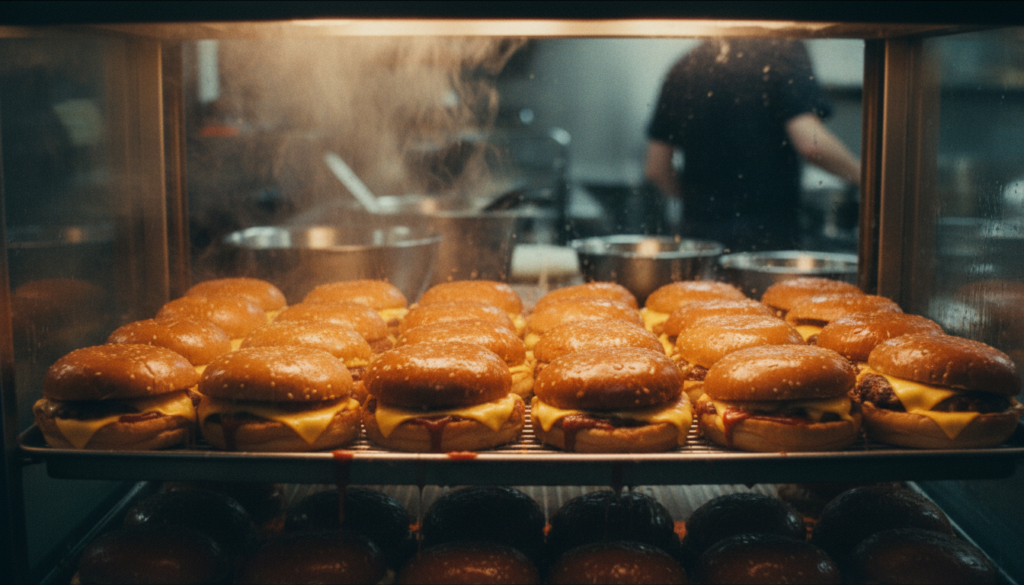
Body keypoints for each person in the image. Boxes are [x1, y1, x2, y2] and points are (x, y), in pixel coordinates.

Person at [644, 38, 860, 252]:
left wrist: (703, 202)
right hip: (765, 242)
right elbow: (810, 143)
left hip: (699, 242)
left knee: (703, 288)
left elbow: (656, 168)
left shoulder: (684, 66)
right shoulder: (783, 49)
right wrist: (868, 179)